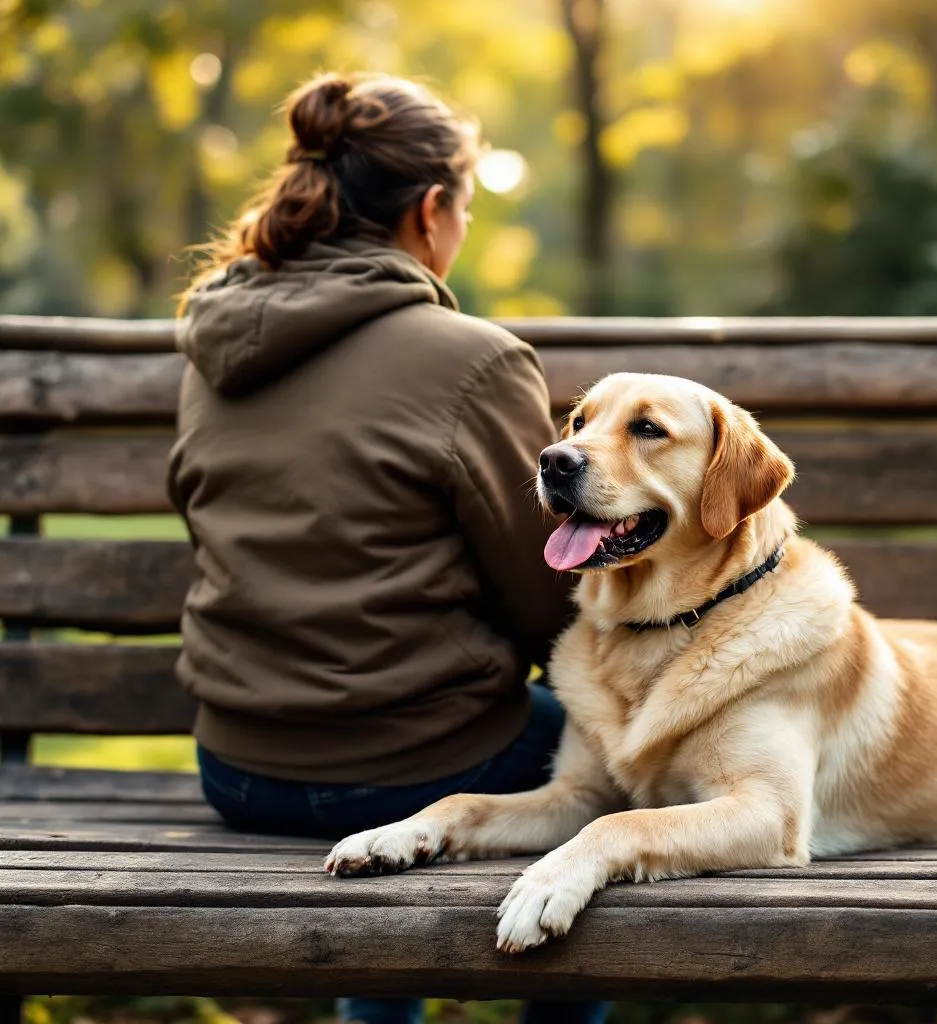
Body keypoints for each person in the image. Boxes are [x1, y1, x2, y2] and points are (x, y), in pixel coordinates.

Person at [169, 71, 610, 1024]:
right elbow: (547, 593)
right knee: (604, 785)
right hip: (415, 760)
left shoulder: (214, 343)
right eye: (466, 208)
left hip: (239, 767)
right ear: (430, 209)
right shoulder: (471, 359)